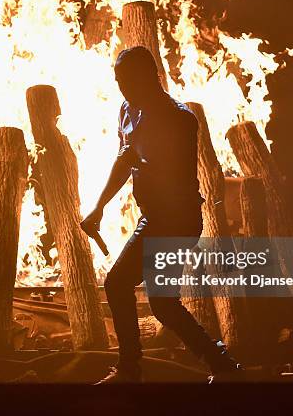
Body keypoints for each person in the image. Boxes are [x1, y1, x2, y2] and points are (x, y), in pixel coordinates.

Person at [81, 46, 241, 383]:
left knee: (117, 284)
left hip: (176, 219)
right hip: (154, 216)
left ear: (151, 76)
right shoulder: (127, 110)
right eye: (118, 80)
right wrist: (99, 207)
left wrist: (143, 169)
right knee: (165, 305)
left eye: (129, 80)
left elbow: (160, 169)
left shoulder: (178, 119)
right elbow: (126, 158)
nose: (123, 87)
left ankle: (128, 371)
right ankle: (223, 365)